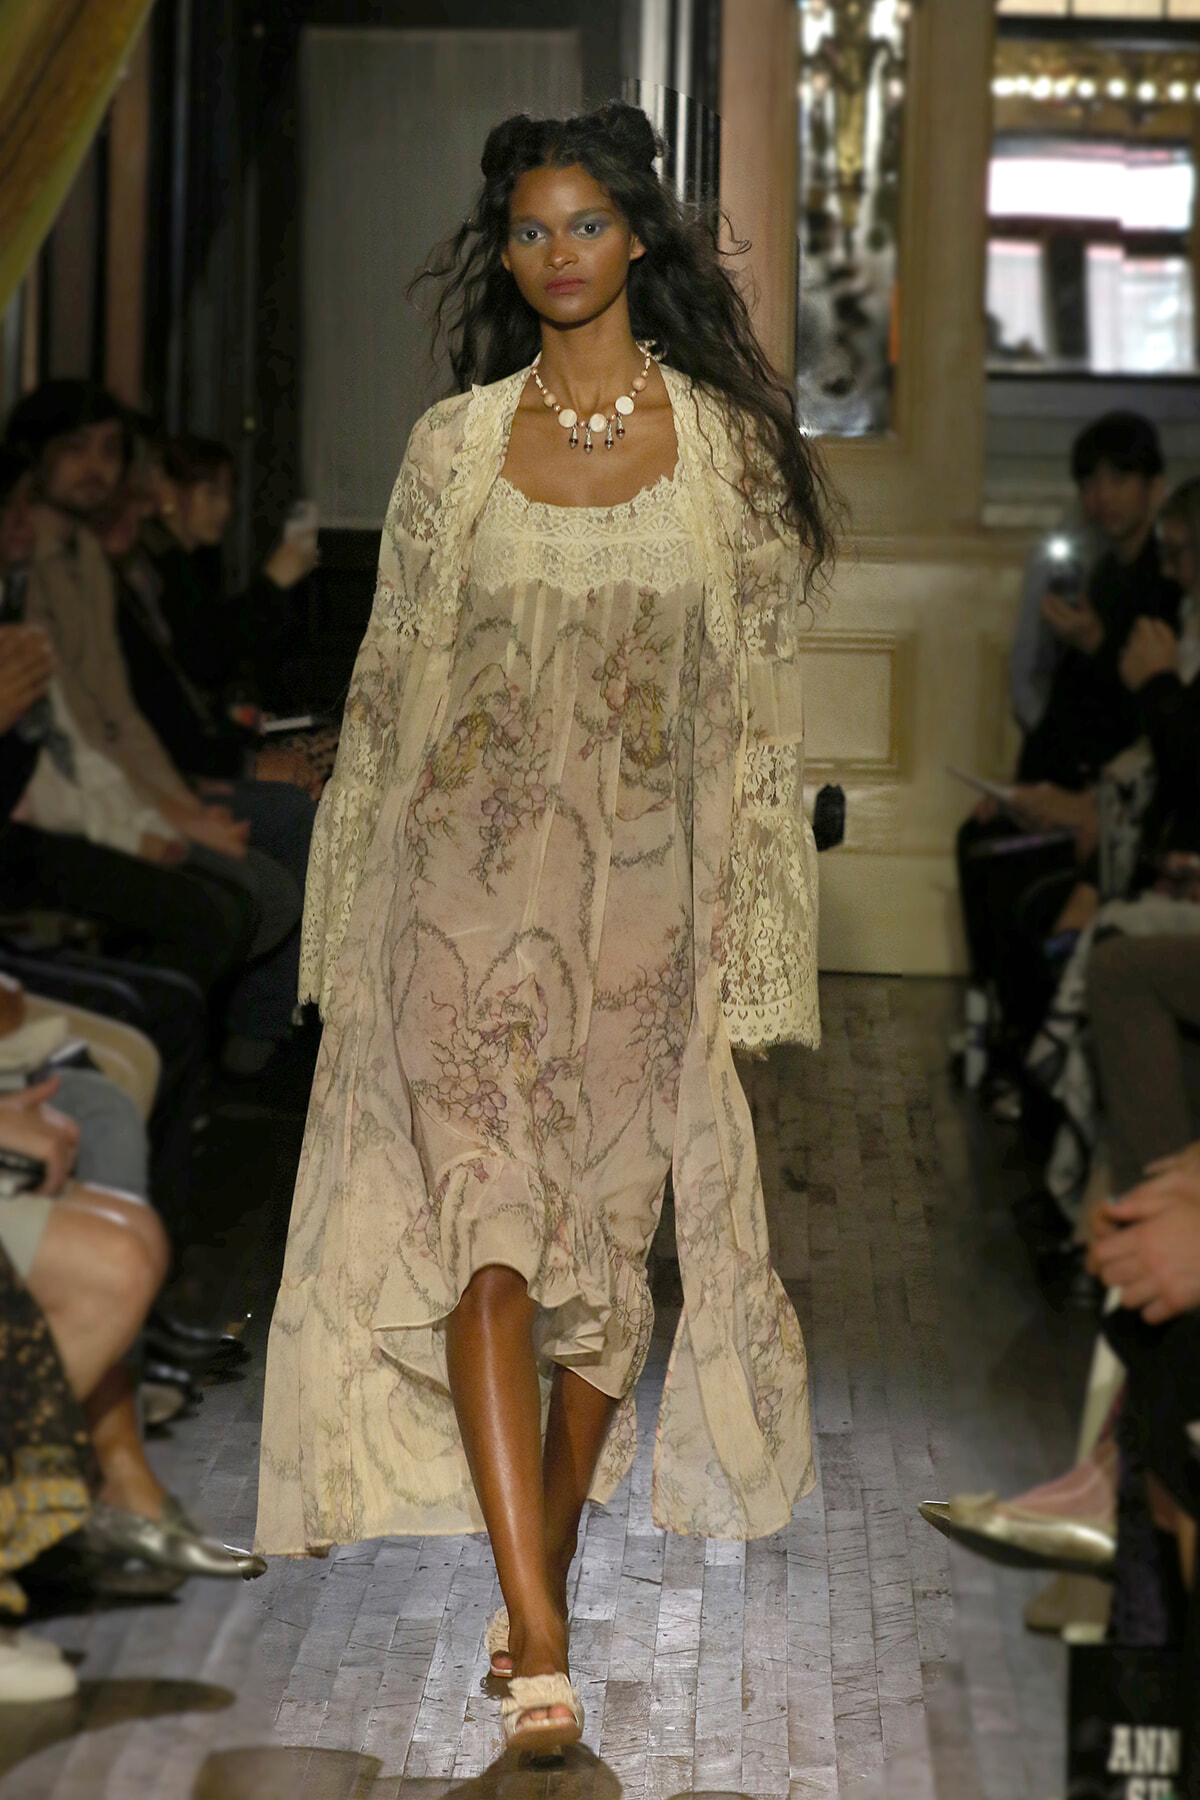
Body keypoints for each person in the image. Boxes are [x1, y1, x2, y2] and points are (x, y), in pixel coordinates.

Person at [256, 102, 831, 1756]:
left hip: (645, 921)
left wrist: (754, 960)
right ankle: (539, 1639)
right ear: (505, 253)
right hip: (460, 901)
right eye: (530, 230)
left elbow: (760, 724)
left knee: (606, 1289)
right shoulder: (452, 448)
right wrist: (345, 930)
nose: (558, 253)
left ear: (635, 239)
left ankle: (539, 1599)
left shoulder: (725, 454)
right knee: (487, 1235)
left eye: (585, 225)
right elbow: (388, 699)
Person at [2, 387, 305, 1071]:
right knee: (229, 896)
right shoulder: (49, 569)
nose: (100, 472)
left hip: (79, 801)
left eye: (111, 453)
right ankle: (131, 1076)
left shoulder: (85, 563)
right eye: (77, 450)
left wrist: (176, 810)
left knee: (250, 878)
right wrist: (164, 819)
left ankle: (171, 1074)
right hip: (41, 824)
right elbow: (71, 747)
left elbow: (117, 724)